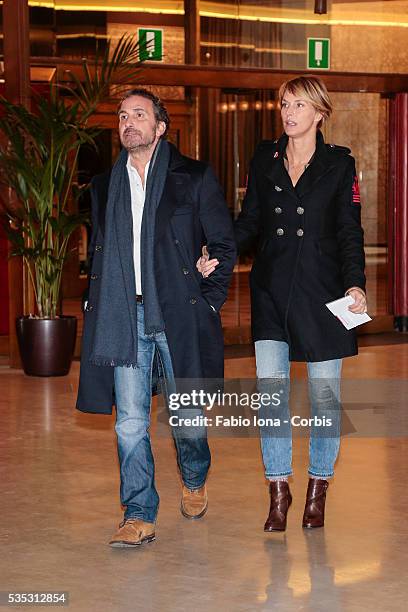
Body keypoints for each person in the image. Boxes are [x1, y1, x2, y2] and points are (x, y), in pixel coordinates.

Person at [198, 76, 366, 531]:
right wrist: (218, 250)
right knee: (270, 398)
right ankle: (278, 490)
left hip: (324, 293)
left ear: (319, 113)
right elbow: (249, 220)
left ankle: (318, 488)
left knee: (325, 400)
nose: (288, 112)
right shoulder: (264, 158)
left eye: (298, 105)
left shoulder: (338, 165)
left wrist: (356, 285)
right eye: (284, 104)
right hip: (271, 292)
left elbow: (350, 230)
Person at [76, 88, 236, 547]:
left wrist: (208, 299)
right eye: (123, 116)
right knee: (129, 420)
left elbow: (223, 246)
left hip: (176, 314)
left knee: (186, 418)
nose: (129, 123)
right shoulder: (106, 185)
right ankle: (139, 512)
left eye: (139, 115)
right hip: (123, 315)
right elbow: (104, 252)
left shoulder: (195, 176)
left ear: (160, 127)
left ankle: (194, 473)